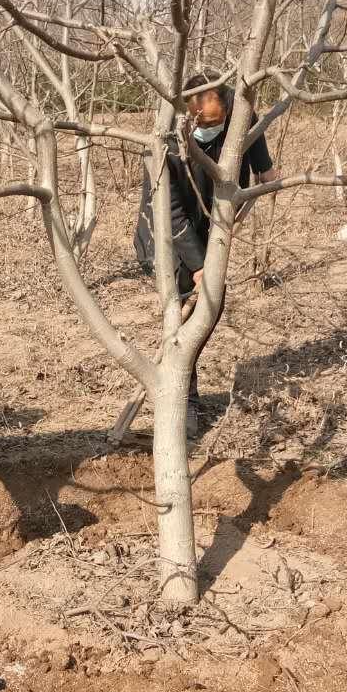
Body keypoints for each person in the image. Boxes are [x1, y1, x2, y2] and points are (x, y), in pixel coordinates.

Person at [133, 72, 279, 436]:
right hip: (167, 236)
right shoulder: (166, 146)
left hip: (212, 230)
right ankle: (186, 401)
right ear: (189, 110)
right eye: (202, 111)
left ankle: (181, 385)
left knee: (210, 310)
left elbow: (267, 175)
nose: (212, 118)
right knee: (181, 315)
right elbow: (171, 214)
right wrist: (199, 266)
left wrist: (262, 184)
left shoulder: (238, 128)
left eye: (221, 111)